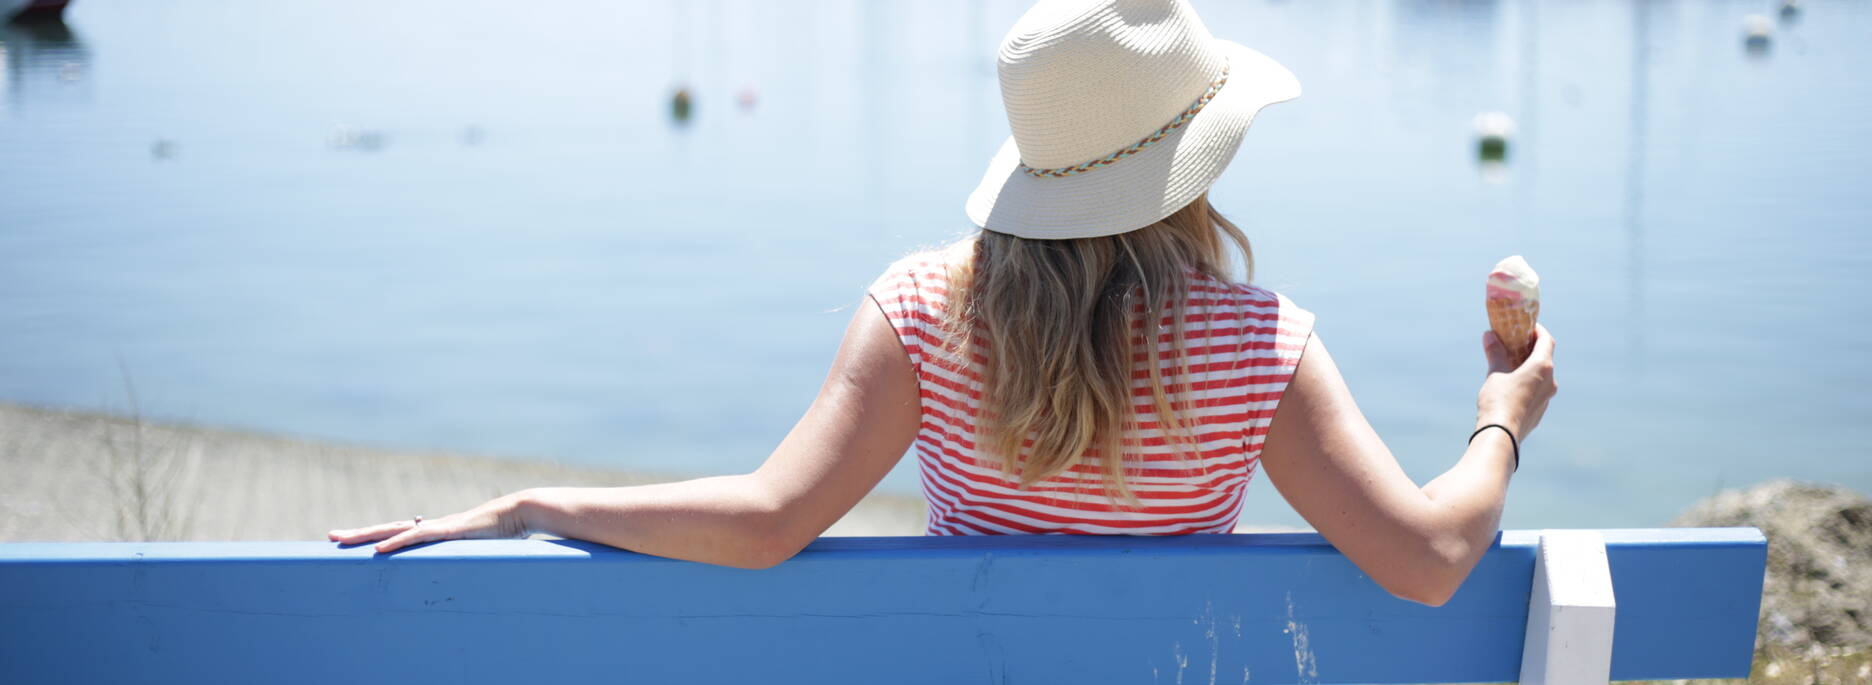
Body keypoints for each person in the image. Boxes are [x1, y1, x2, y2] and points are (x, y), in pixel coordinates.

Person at [328, 0, 1555, 607]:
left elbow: (764, 519)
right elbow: (1434, 558)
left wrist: (535, 501)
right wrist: (1502, 413)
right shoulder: (1254, 345)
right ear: (1196, 161)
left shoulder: (926, 314)